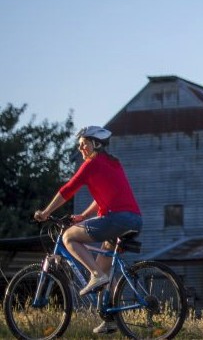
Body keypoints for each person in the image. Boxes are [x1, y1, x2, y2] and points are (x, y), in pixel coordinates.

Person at [34, 126, 142, 335]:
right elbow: (103, 195)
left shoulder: (92, 163)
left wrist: (46, 213)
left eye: (84, 143)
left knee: (68, 236)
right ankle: (110, 319)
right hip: (134, 220)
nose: (81, 148)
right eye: (79, 145)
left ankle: (94, 275)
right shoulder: (112, 163)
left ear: (96, 144)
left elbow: (68, 190)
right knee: (104, 269)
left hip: (116, 219)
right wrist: (83, 216)